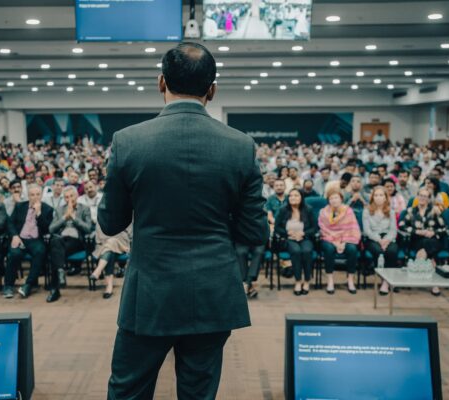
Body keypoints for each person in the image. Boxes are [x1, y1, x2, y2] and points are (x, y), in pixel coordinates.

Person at [98, 43, 269, 400]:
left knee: (128, 391)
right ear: (212, 89)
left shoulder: (127, 142)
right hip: (213, 293)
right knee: (198, 393)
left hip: (149, 295)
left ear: (161, 83)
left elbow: (111, 224)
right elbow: (254, 232)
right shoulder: (241, 146)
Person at [3, 184, 53, 299]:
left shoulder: (47, 209)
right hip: (20, 238)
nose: (35, 197)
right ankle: (8, 285)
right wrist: (15, 236)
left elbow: (47, 229)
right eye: (32, 194)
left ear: (41, 195)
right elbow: (9, 222)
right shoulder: (20, 206)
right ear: (28, 196)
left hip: (36, 239)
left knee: (40, 252)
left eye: (37, 194)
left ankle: (28, 285)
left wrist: (39, 213)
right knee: (14, 254)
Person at [47, 186, 93, 302]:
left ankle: (55, 289)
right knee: (56, 243)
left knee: (55, 251)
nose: (69, 199)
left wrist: (73, 217)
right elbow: (51, 229)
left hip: (76, 240)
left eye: (71, 196)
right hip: (62, 239)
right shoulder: (59, 209)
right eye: (66, 197)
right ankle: (60, 271)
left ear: (77, 196)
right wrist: (64, 217)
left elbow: (88, 228)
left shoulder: (84, 208)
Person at [399, 187, 447, 296]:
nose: (422, 198)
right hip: (417, 240)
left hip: (433, 240)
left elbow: (445, 228)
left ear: (429, 199)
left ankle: (420, 263)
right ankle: (434, 283)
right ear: (417, 197)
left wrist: (433, 232)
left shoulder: (435, 211)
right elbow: (401, 226)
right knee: (427, 247)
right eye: (420, 195)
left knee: (428, 243)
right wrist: (417, 232)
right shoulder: (410, 211)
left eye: (425, 196)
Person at [318, 189, 361, 295]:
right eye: (331, 198)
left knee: (352, 249)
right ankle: (330, 279)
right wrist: (335, 242)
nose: (333, 200)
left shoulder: (348, 211)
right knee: (329, 249)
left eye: (336, 197)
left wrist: (343, 242)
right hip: (328, 237)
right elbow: (323, 229)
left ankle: (350, 279)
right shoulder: (323, 212)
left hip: (347, 237)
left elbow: (351, 228)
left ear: (341, 199)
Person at [274, 189, 316, 295]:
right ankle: (298, 281)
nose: (293, 197)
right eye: (291, 196)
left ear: (301, 197)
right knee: (296, 251)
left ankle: (306, 281)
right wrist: (288, 233)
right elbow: (277, 227)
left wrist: (303, 233)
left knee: (306, 251)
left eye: (296, 195)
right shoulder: (283, 210)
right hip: (289, 238)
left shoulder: (308, 209)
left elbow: (315, 228)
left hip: (305, 237)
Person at [362, 186, 399, 295]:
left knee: (392, 251)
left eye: (381, 195)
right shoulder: (367, 211)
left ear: (385, 198)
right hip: (372, 238)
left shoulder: (391, 212)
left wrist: (386, 240)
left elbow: (393, 230)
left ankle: (386, 282)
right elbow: (367, 230)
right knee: (378, 251)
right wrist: (379, 240)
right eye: (376, 195)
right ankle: (383, 278)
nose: (378, 197)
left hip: (388, 237)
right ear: (372, 197)